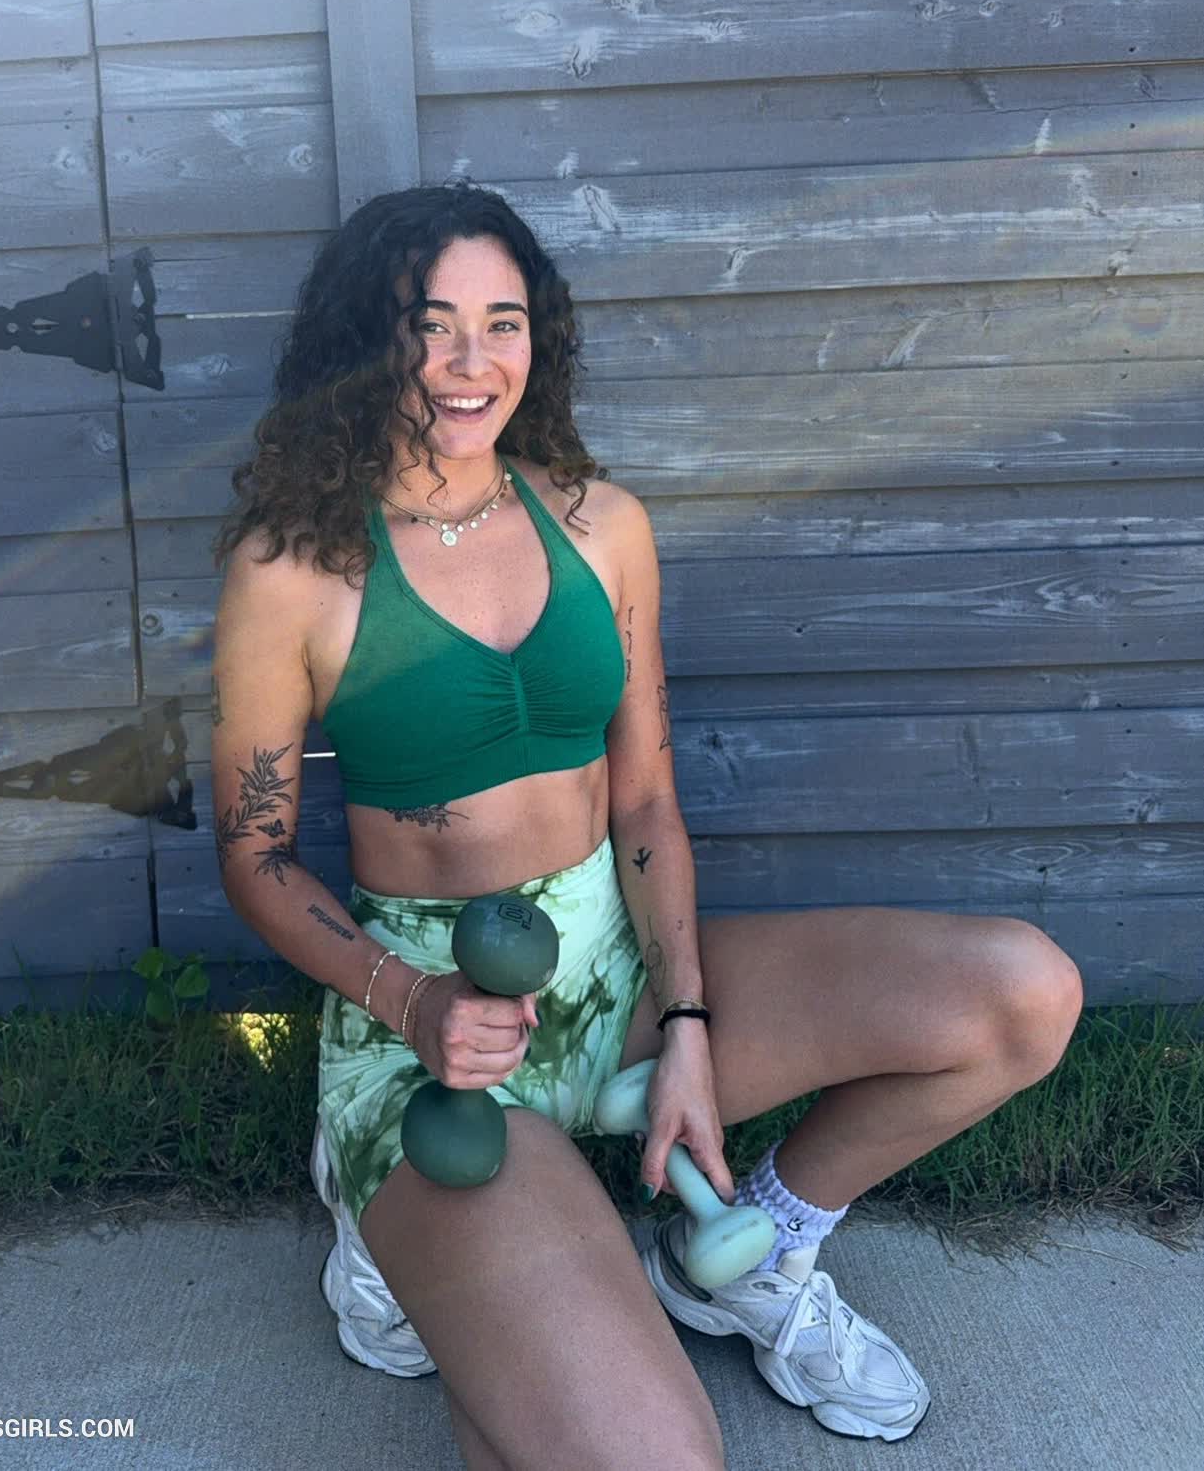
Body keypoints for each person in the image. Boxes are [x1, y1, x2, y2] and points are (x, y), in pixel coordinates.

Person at [210, 182, 1085, 1471]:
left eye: (502, 324)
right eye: (429, 324)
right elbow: (256, 852)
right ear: (367, 339)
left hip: (617, 975)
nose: (469, 362)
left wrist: (685, 1028)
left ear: (538, 339)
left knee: (1022, 995)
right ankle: (392, 1234)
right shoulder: (293, 572)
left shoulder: (600, 526)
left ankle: (752, 1256)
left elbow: (645, 803)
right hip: (432, 1037)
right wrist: (414, 1003)